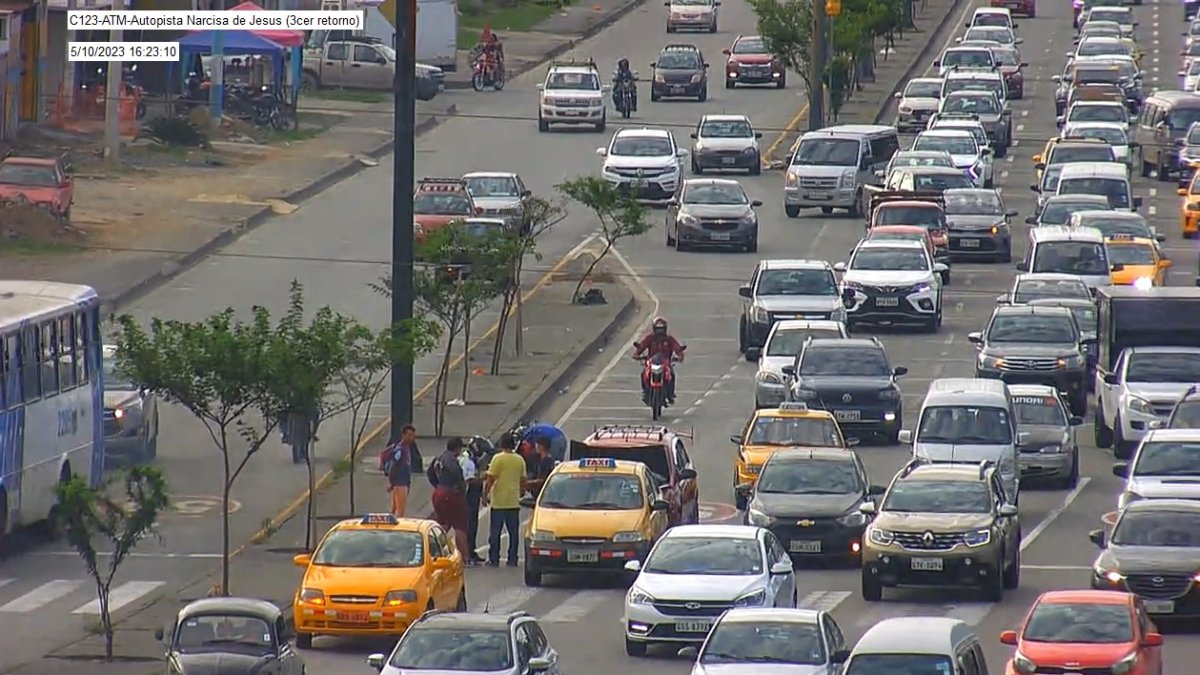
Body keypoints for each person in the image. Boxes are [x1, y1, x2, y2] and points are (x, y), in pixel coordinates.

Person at [484, 433, 526, 567]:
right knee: (513, 533)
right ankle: (512, 558)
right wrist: (522, 492)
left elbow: (490, 479)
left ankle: (494, 558)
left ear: (502, 444)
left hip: (499, 501)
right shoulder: (519, 460)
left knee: (495, 532)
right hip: (513, 501)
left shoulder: (497, 459)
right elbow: (523, 479)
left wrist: (485, 495)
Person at [428, 438, 472, 563]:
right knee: (460, 526)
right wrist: (461, 488)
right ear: (457, 448)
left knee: (443, 524)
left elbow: (429, 472)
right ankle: (464, 557)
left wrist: (437, 485)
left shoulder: (439, 458)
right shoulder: (452, 460)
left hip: (439, 492)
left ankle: (433, 551)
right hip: (451, 494)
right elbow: (457, 474)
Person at [633, 316, 686, 404]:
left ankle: (670, 394)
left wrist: (680, 355)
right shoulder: (650, 338)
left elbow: (677, 347)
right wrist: (637, 354)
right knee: (643, 374)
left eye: (661, 329)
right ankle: (646, 392)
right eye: (658, 329)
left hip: (665, 363)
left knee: (672, 375)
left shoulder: (669, 339)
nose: (659, 332)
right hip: (652, 363)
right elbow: (642, 346)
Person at [463, 436, 492, 564]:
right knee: (469, 525)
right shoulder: (467, 461)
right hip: (467, 497)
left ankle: (471, 549)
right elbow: (468, 479)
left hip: (472, 496)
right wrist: (482, 479)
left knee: (473, 525)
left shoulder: (472, 460)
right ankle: (467, 552)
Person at [379, 424, 419, 518]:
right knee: (400, 512)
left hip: (402, 484)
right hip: (400, 484)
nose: (411, 438)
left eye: (412, 435)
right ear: (403, 435)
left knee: (395, 510)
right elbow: (394, 467)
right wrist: (392, 483)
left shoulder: (405, 449)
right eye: (409, 435)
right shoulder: (400, 450)